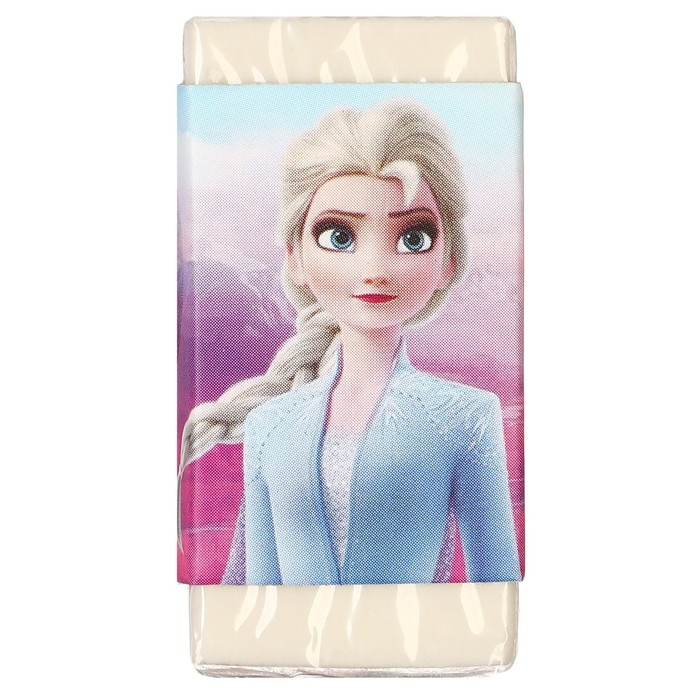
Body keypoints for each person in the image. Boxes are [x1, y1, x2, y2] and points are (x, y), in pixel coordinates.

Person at [178, 100, 521, 585]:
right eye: (339, 236)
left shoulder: (466, 418)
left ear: (448, 260)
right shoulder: (270, 425)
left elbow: (496, 588)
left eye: (414, 237)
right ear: (295, 257)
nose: (374, 269)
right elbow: (253, 590)